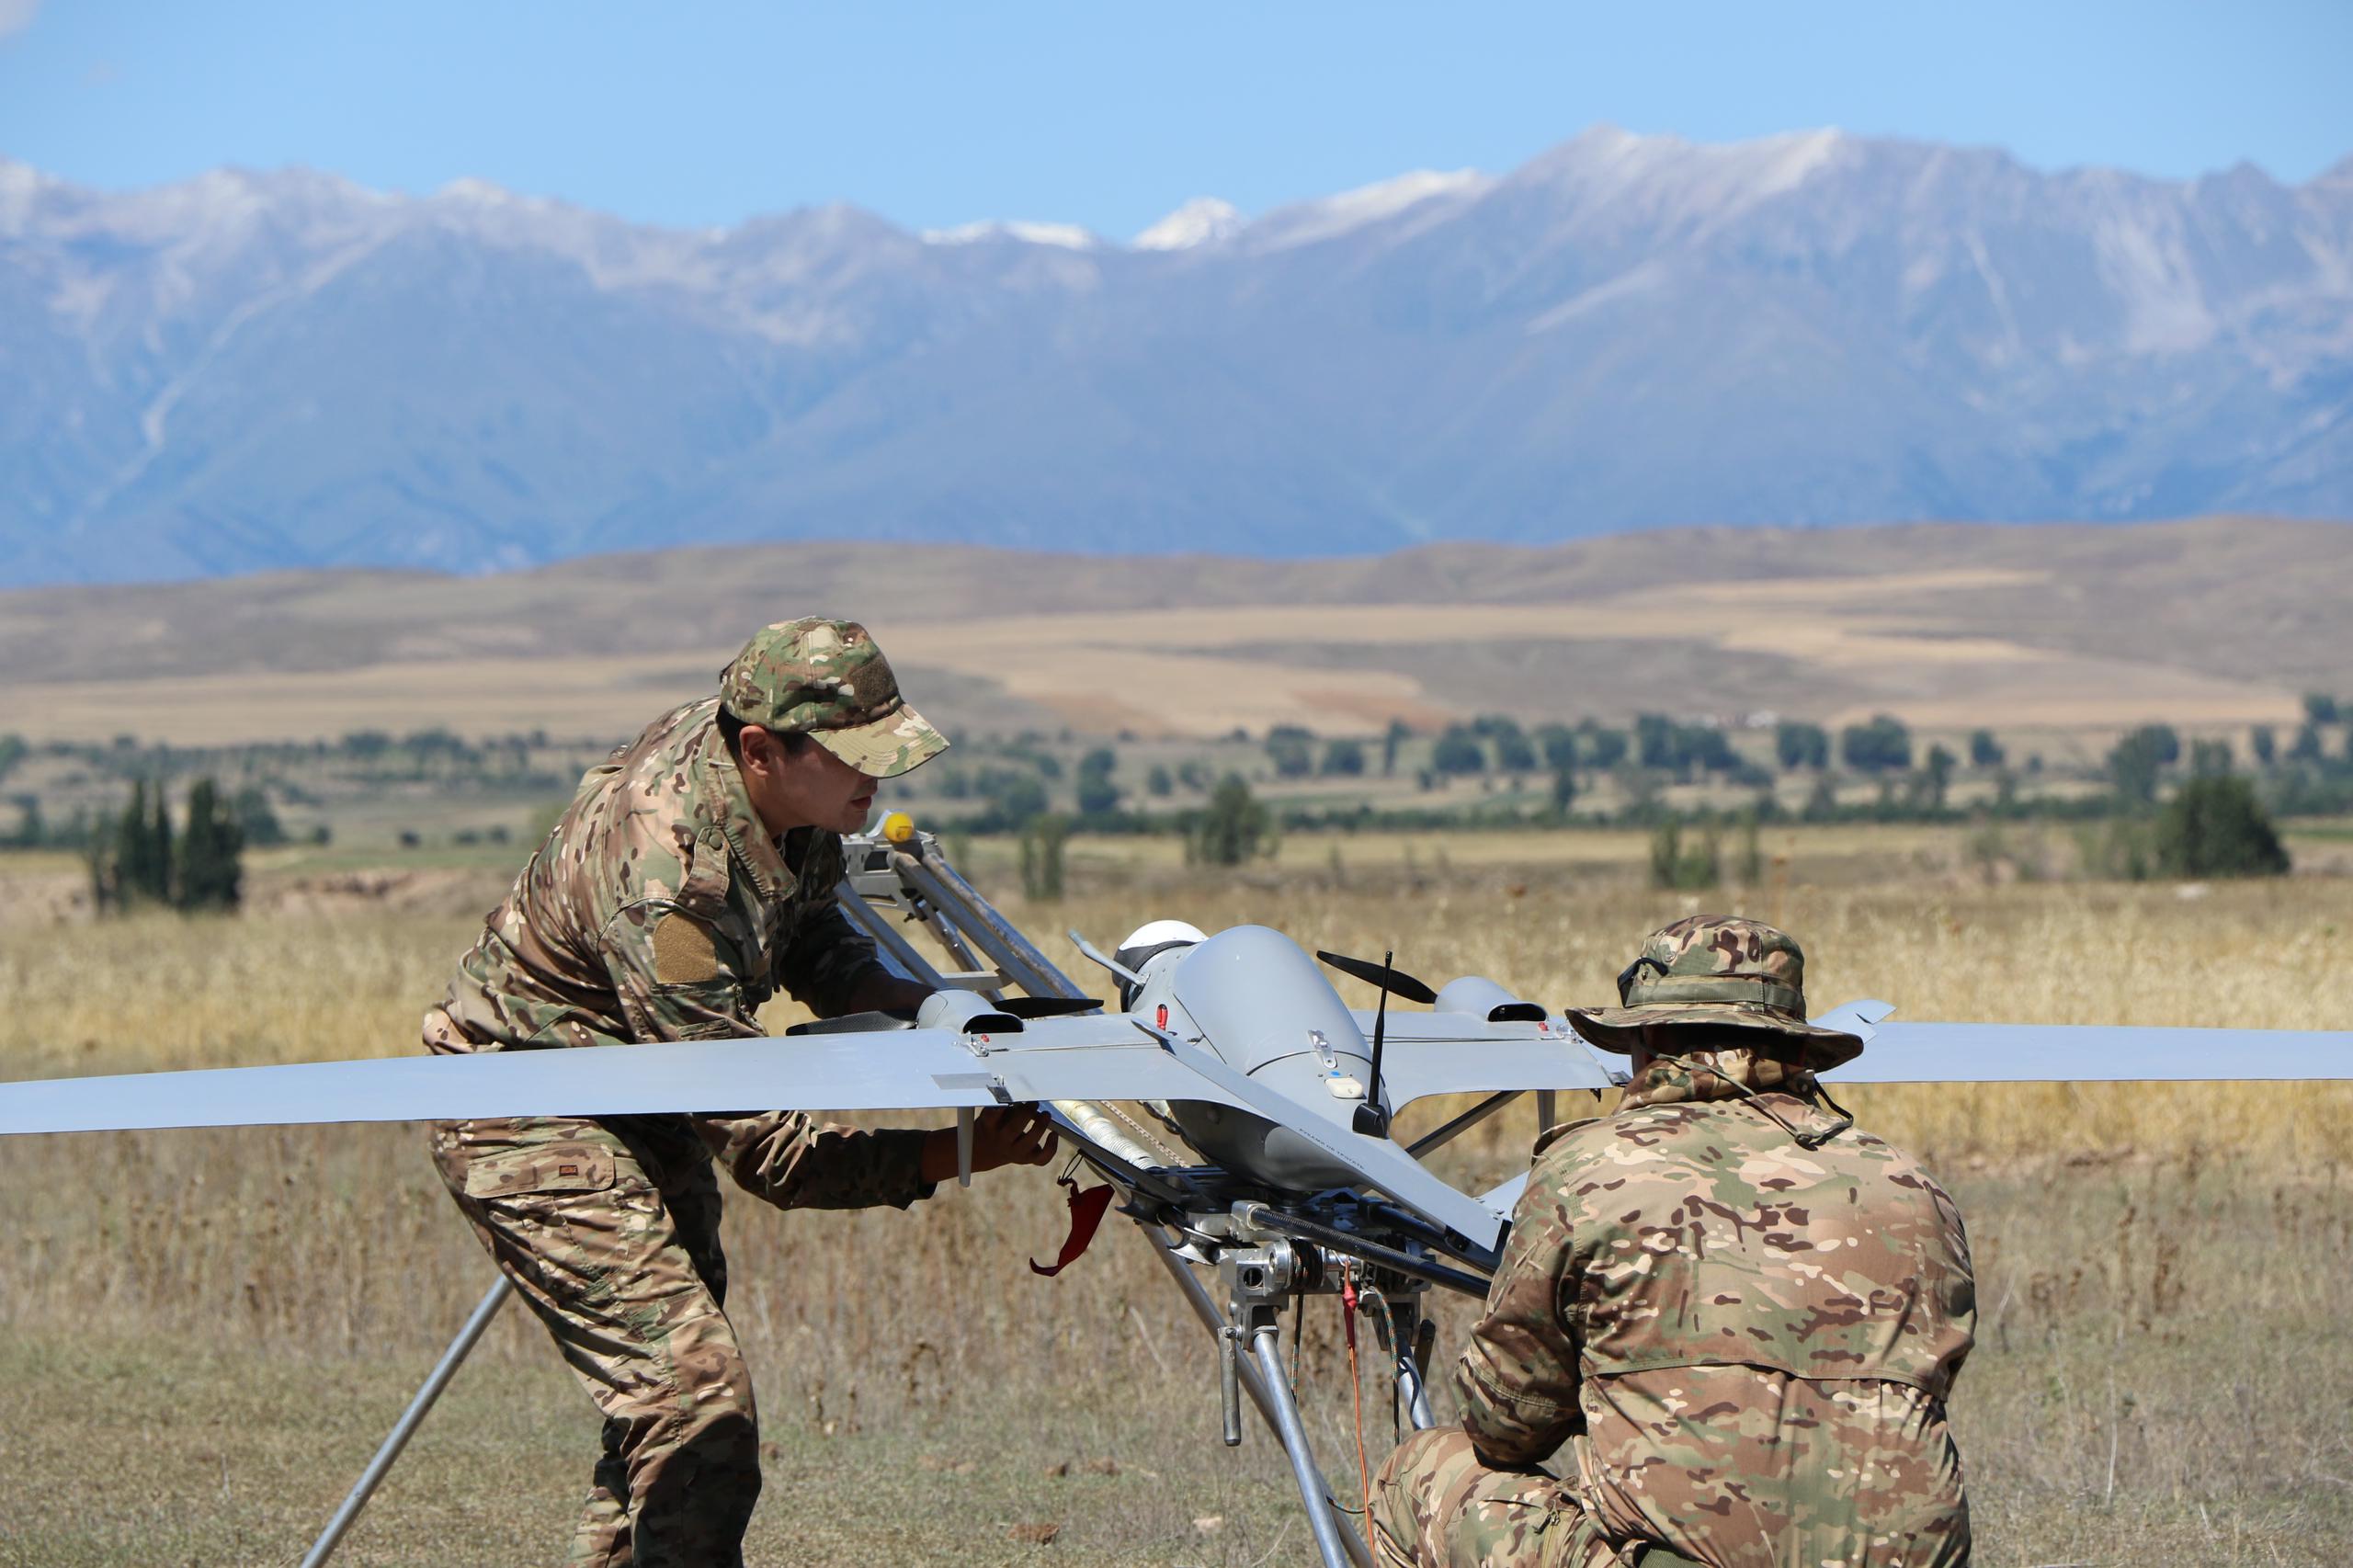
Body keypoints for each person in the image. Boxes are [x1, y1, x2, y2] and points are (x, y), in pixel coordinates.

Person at [422, 617, 1056, 1568]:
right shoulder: (671, 875)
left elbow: (804, 928)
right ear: (762, 750)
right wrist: (962, 1148)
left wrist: (918, 1002)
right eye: (851, 758)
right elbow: (774, 1156)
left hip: (635, 1074)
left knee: (664, 1406)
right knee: (694, 1400)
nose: (874, 780)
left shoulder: (767, 784)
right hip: (525, 1100)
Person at [1371, 915, 1975, 1568]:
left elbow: (1504, 1426)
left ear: (1651, 1038)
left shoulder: (1592, 1168)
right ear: (1795, 1048)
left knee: (1419, 1475)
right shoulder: (1910, 1183)